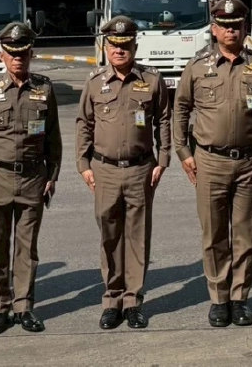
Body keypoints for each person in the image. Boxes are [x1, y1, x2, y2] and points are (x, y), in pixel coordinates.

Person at [173, 0, 252, 328]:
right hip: (210, 162)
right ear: (214, 28)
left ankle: (240, 298)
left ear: (245, 28)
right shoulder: (197, 67)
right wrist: (184, 153)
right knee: (214, 234)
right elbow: (180, 109)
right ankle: (219, 298)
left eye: (236, 26)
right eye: (224, 25)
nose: (231, 31)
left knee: (245, 234)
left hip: (250, 162)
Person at [75, 16, 172, 330]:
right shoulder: (94, 82)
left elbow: (164, 121)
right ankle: (112, 300)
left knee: (137, 237)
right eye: (114, 45)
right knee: (110, 236)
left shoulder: (151, 80)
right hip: (103, 170)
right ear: (106, 46)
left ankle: (133, 301)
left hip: (140, 169)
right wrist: (83, 164)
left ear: (135, 46)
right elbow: (84, 124)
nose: (120, 50)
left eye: (126, 44)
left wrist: (164, 158)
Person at [0, 21, 62, 334]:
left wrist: (53, 174)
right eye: (11, 53)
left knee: (27, 247)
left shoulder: (43, 89)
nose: (17, 58)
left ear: (31, 53)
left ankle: (24, 307)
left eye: (23, 52)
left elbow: (53, 138)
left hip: (33, 177)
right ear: (2, 55)